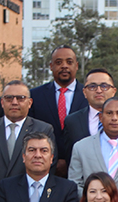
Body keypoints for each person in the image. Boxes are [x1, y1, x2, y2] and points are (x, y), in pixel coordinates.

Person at [0, 80, 55, 185]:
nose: (14, 102)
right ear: (2, 102)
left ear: (30, 103)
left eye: (20, 98)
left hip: (28, 196)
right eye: (9, 98)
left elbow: (49, 167)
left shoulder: (44, 129)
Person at [62, 68, 118, 170]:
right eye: (92, 86)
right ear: (84, 92)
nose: (99, 90)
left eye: (104, 86)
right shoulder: (72, 121)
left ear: (114, 91)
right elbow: (70, 160)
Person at [29, 45, 86, 175]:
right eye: (58, 62)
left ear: (76, 65)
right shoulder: (35, 96)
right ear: (51, 66)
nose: (64, 66)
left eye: (69, 62)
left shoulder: (88, 95)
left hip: (81, 168)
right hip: (45, 168)